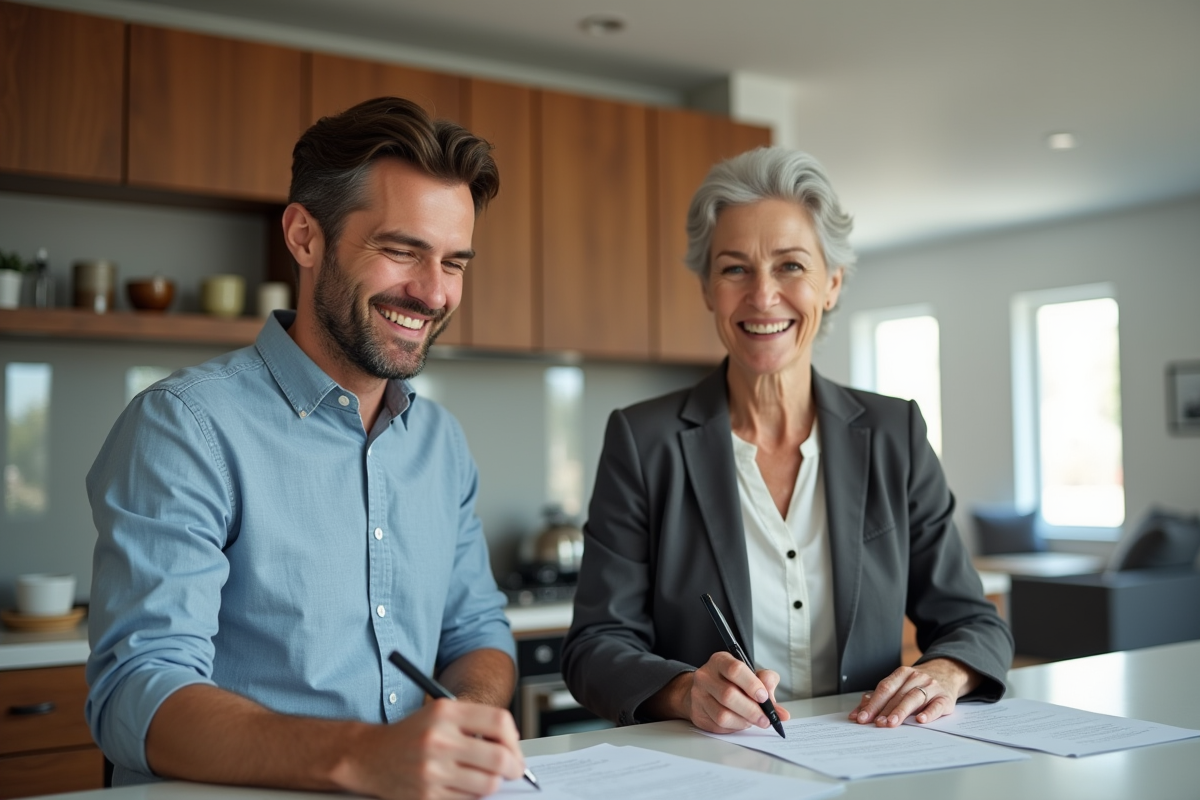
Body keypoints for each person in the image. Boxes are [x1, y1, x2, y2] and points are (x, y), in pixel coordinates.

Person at [86, 97, 528, 800]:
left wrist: (461, 720)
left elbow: (477, 633)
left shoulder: (441, 443)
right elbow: (138, 693)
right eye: (401, 251)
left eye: (454, 262)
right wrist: (366, 757)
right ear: (304, 237)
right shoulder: (184, 426)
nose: (433, 292)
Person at [561, 146, 1013, 736]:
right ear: (707, 289)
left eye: (791, 266)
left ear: (832, 284)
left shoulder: (895, 433)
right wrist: (684, 691)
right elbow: (595, 646)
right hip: (716, 764)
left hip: (871, 754)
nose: (763, 295)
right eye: (734, 269)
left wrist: (946, 674)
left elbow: (974, 622)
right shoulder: (644, 441)